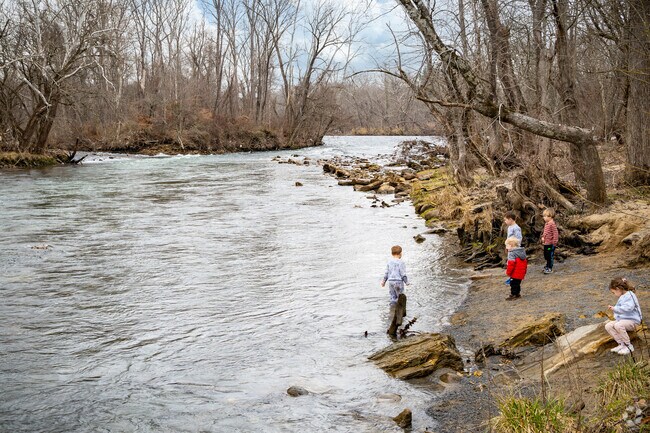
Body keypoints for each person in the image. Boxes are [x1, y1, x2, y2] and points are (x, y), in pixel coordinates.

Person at [605, 277, 642, 355]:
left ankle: (628, 346)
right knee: (608, 326)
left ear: (618, 289)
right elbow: (620, 310)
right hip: (624, 320)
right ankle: (621, 344)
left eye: (613, 292)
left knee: (618, 325)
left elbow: (628, 308)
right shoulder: (622, 296)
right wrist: (616, 315)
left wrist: (615, 308)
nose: (614, 295)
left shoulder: (630, 295)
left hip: (633, 321)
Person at [540, 208, 559, 274]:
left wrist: (554, 242)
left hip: (550, 244)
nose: (544, 218)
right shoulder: (547, 223)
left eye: (545, 216)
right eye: (544, 216)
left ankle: (550, 268)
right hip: (546, 243)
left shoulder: (552, 224)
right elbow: (545, 232)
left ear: (550, 216)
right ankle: (547, 266)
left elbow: (555, 233)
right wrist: (543, 237)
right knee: (546, 255)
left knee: (549, 255)